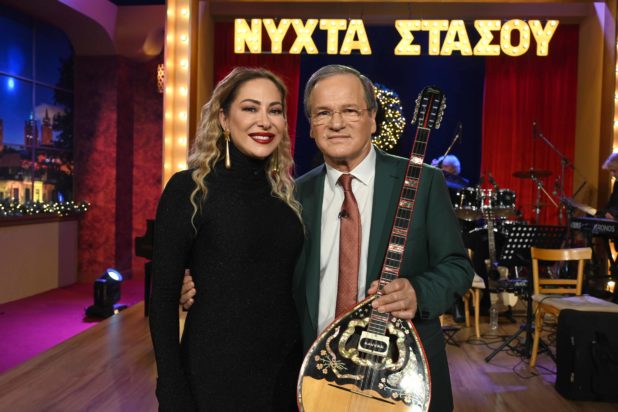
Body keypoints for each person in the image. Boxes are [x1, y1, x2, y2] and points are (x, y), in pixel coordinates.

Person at [182, 64, 474, 411]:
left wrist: (418, 291)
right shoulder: (290, 196)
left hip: (402, 382)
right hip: (317, 378)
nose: (336, 123)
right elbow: (261, 274)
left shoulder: (423, 183)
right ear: (310, 126)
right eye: (323, 113)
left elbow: (457, 266)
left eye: (350, 110)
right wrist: (203, 283)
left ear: (372, 119)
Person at [149, 67, 304, 411]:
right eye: (250, 108)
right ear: (223, 118)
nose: (264, 121)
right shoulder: (189, 189)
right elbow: (161, 301)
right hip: (214, 372)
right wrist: (170, 388)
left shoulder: (288, 197)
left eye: (274, 110)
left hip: (285, 372)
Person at [598, 152, 618, 219]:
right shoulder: (617, 183)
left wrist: (614, 217)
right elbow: (611, 203)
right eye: (610, 171)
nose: (612, 174)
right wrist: (604, 212)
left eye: (614, 171)